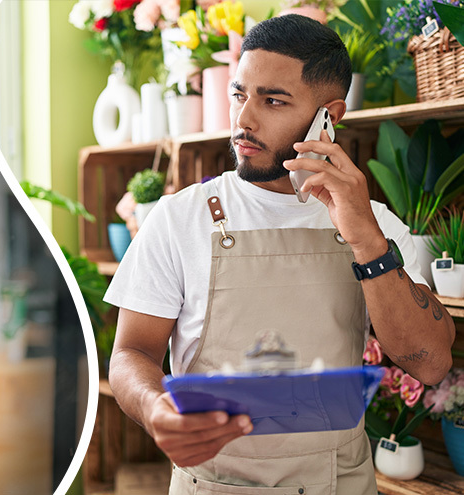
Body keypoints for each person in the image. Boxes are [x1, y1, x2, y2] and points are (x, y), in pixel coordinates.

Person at [105, 14, 455, 493]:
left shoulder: (376, 226)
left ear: (329, 115)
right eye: (239, 93)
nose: (244, 119)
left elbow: (430, 363)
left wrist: (367, 242)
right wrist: (155, 407)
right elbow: (131, 352)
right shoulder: (177, 219)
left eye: (272, 100)